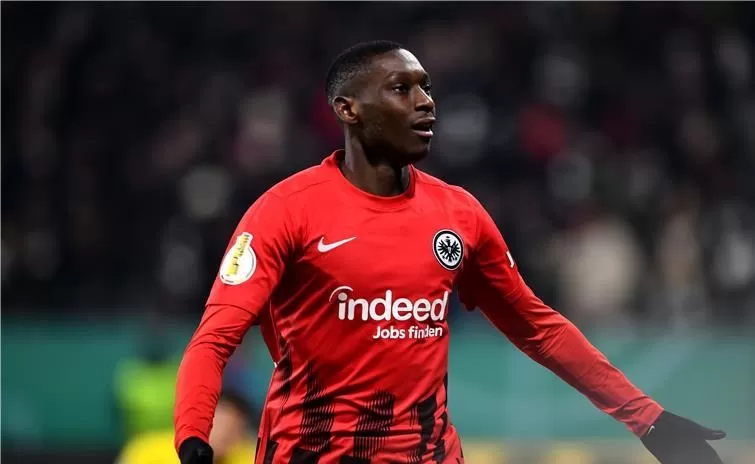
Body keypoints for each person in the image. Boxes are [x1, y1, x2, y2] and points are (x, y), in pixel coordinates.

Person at [174, 41, 726, 464]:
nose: (426, 103)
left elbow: (539, 329)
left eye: (427, 88)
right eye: (402, 89)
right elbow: (215, 339)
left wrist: (649, 420)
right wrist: (193, 437)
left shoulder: (458, 214)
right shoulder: (285, 211)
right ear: (349, 109)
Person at [118, 390, 257, 464]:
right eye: (220, 425)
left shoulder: (248, 457)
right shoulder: (148, 449)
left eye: (234, 430)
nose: (224, 435)